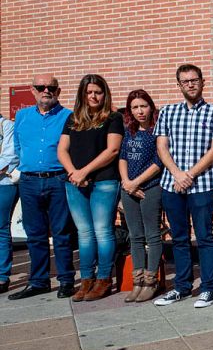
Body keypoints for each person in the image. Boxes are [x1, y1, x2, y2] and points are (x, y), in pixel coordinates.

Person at [153, 65, 213, 308]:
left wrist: (190, 174)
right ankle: (182, 287)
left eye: (194, 80)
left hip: (202, 185)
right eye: (185, 81)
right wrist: (177, 174)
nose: (190, 84)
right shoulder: (168, 112)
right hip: (172, 185)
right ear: (179, 85)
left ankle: (209, 288)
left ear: (202, 82)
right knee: (179, 238)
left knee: (204, 237)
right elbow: (161, 146)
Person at [9, 75, 76, 300]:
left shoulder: (68, 116)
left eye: (51, 87)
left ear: (58, 91)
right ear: (33, 90)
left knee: (61, 233)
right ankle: (39, 282)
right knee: (35, 234)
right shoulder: (22, 116)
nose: (46, 90)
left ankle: (66, 280)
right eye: (41, 87)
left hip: (58, 179)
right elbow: (18, 146)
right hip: (29, 181)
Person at [58, 74, 124, 301]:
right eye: (89, 92)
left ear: (104, 94)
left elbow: (112, 150)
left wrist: (84, 172)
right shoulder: (73, 118)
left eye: (97, 92)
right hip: (75, 183)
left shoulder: (113, 118)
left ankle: (104, 279)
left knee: (102, 232)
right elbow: (62, 150)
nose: (93, 96)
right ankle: (86, 280)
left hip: (104, 181)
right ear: (82, 95)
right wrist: (73, 173)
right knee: (84, 234)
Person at [118, 89, 163, 303]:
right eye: (135, 107)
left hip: (150, 188)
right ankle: (137, 281)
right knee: (135, 235)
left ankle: (150, 281)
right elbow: (122, 157)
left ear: (151, 107)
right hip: (129, 188)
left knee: (152, 235)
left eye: (143, 106)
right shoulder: (130, 131)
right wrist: (127, 182)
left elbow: (159, 161)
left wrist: (136, 182)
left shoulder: (157, 130)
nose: (140, 111)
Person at [0, 113, 20, 294]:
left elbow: (10, 157)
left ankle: (2, 275)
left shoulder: (6, 126)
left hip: (4, 184)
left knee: (1, 227)